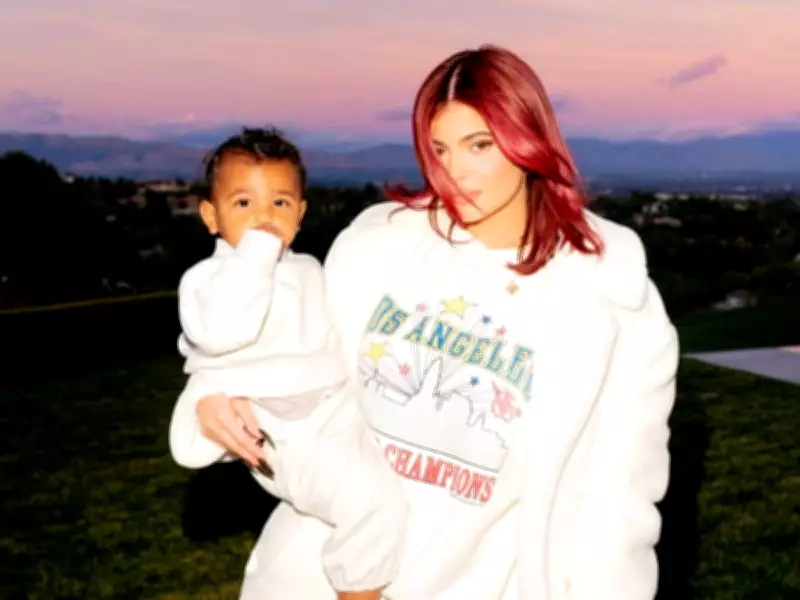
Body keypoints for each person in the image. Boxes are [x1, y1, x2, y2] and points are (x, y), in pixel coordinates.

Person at [169, 45, 679, 600]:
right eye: (439, 149)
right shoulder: (379, 247)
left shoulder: (612, 304)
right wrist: (210, 395)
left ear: (527, 139)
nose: (455, 171)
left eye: (479, 145)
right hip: (317, 577)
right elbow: (285, 350)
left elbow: (617, 505)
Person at [169, 127, 408, 600]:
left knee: (396, 488)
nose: (264, 218)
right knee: (372, 504)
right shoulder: (208, 279)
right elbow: (219, 332)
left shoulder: (307, 269)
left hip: (333, 413)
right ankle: (357, 590)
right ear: (211, 216)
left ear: (299, 213)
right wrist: (256, 254)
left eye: (279, 203)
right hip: (280, 429)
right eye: (243, 203)